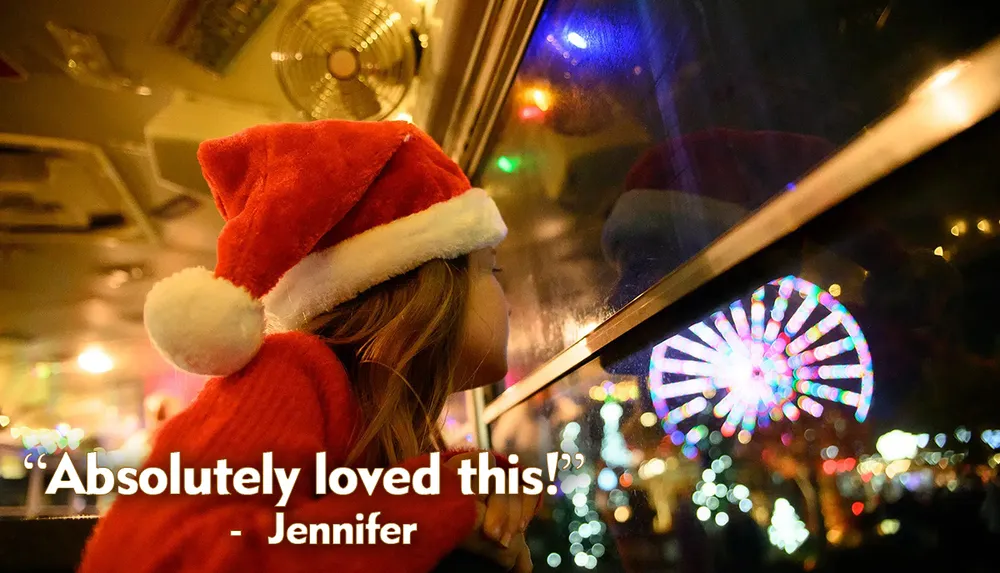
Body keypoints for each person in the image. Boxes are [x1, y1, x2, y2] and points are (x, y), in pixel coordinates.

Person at [79, 120, 538, 572]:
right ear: (426, 286)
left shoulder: (378, 426)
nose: (509, 300)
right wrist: (432, 506)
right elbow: (151, 556)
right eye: (491, 269)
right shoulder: (290, 372)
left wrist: (478, 481)